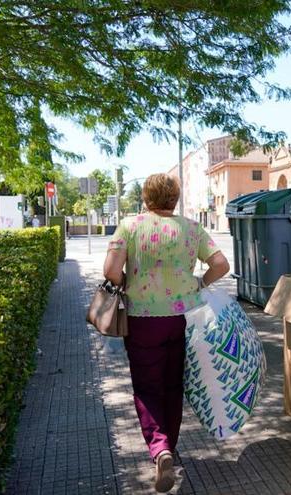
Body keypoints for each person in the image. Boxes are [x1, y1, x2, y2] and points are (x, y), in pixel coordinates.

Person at [102, 173, 230, 492]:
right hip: (183, 319)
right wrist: (199, 283)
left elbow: (110, 271)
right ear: (175, 198)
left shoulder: (130, 226)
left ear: (146, 198)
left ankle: (160, 450)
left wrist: (125, 284)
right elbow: (221, 264)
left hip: (143, 320)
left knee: (147, 386)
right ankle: (169, 446)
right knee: (173, 385)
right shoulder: (192, 228)